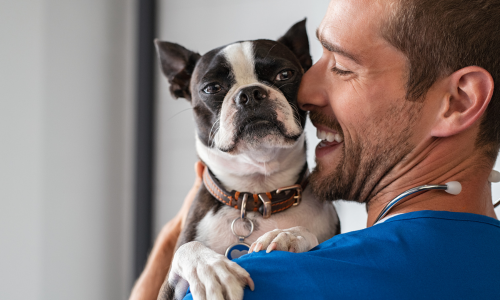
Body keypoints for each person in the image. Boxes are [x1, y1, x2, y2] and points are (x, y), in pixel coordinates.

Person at [131, 0, 500, 299]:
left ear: (457, 102)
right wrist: (175, 241)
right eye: (315, 61)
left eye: (341, 66)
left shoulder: (247, 282)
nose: (304, 95)